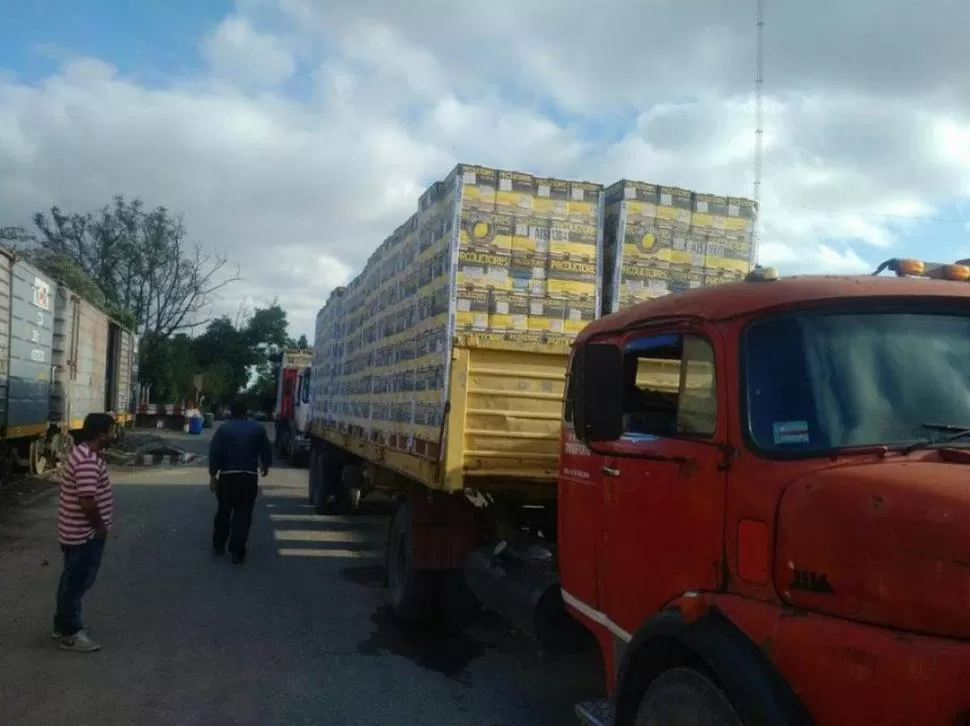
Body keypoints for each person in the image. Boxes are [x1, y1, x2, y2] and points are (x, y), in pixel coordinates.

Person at [53, 412, 115, 653]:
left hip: (74, 532)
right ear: (100, 434)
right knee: (77, 583)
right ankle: (71, 634)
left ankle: (63, 625)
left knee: (70, 580)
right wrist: (99, 527)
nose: (113, 435)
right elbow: (87, 500)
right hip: (84, 535)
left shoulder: (83, 453)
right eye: (111, 431)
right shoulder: (88, 460)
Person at [209, 399, 273, 564]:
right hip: (248, 477)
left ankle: (218, 545)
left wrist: (213, 475)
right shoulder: (258, 428)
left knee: (224, 511)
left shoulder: (223, 429)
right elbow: (266, 450)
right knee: (243, 514)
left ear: (231, 413)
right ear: (246, 413)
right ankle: (237, 551)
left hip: (227, 476)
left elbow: (215, 453)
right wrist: (265, 465)